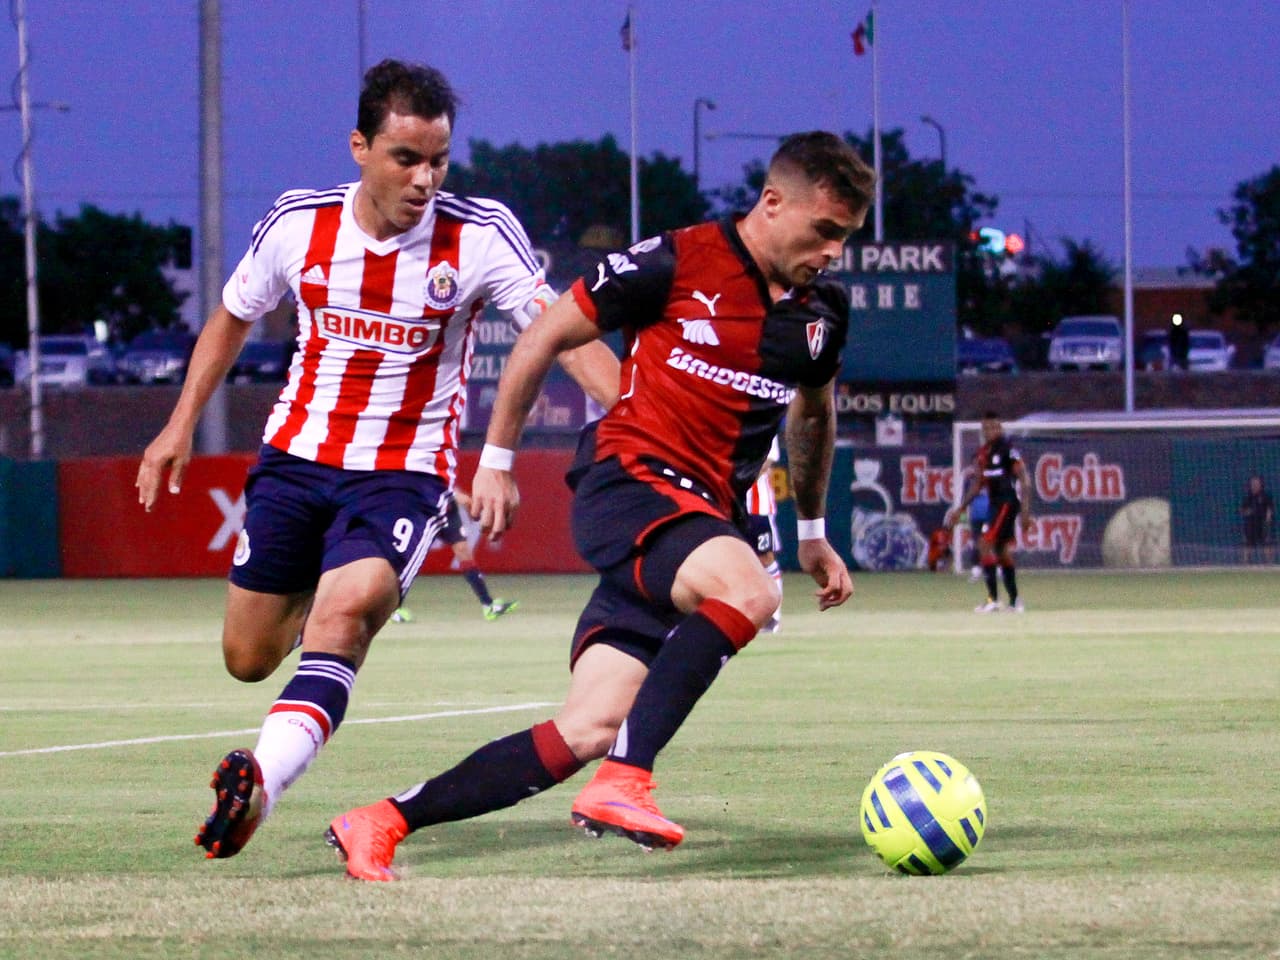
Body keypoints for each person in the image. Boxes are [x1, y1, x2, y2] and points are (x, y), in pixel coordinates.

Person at [324, 131, 872, 881]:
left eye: (847, 237)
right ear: (773, 203)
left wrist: (811, 530)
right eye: (825, 231)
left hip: (694, 522)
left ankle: (380, 821)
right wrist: (497, 459)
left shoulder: (822, 312)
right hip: (631, 482)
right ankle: (626, 782)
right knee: (747, 589)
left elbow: (814, 413)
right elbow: (545, 333)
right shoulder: (677, 260)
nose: (834, 251)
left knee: (588, 726)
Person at [134, 59, 617, 862]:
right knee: (247, 658)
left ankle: (262, 780)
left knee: (343, 612)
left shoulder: (479, 236)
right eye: (406, 158)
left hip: (404, 473)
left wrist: (640, 418)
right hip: (294, 461)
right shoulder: (298, 225)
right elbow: (229, 317)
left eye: (439, 160)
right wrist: (178, 424)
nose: (426, 179)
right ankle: (309, 670)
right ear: (359, 147)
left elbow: (560, 333)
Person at [945, 412, 1033, 612]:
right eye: (986, 428)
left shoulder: (1008, 451)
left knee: (985, 543)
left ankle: (993, 600)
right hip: (995, 505)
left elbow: (1025, 482)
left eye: (994, 427)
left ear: (1000, 429)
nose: (990, 431)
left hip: (1007, 503)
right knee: (1001, 551)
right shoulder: (982, 454)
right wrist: (960, 509)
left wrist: (1026, 513)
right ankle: (1015, 601)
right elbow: (976, 486)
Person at [391, 490, 518, 623]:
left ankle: (488, 606)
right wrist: (453, 493)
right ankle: (393, 609)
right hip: (423, 511)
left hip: (448, 511)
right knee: (409, 557)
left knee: (463, 551)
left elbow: (446, 479)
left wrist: (453, 494)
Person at [745, 435, 784, 631]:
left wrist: (738, 480)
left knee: (764, 556)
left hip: (756, 504)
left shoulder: (765, 414)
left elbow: (768, 460)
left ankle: (773, 616)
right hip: (724, 502)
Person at [1240, 474, 1275, 564]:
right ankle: (1246, 561)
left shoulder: (1266, 496)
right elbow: (1242, 510)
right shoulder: (1248, 497)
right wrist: (1249, 512)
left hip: (1262, 523)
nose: (1255, 485)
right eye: (1253, 484)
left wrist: (1268, 518)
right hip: (1251, 524)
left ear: (1260, 484)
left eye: (1257, 483)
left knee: (1266, 542)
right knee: (1248, 543)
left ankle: (1269, 562)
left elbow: (1270, 508)